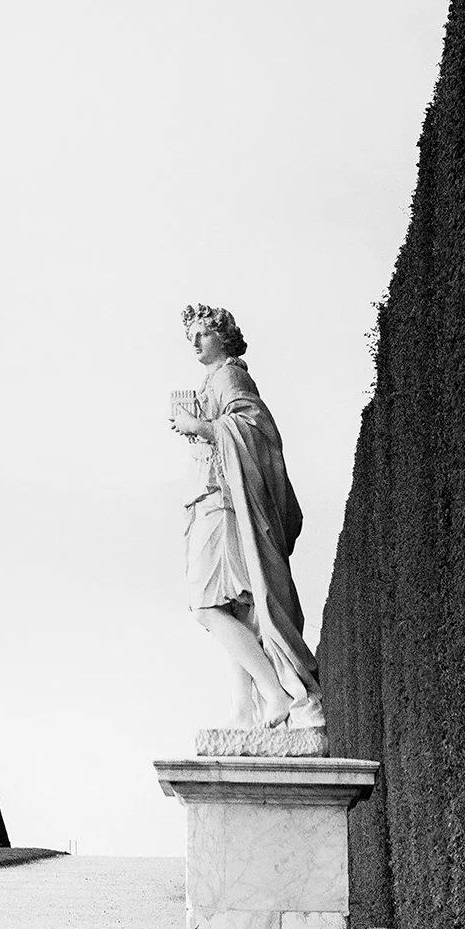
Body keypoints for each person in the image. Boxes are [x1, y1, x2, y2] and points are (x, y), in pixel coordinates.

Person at [167, 303, 324, 730]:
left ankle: (274, 692)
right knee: (232, 610)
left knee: (207, 606)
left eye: (203, 334)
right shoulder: (211, 381)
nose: (196, 343)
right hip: (211, 501)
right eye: (191, 338)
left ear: (223, 336)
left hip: (224, 506)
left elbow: (255, 429)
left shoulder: (230, 375)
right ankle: (244, 712)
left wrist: (201, 428)